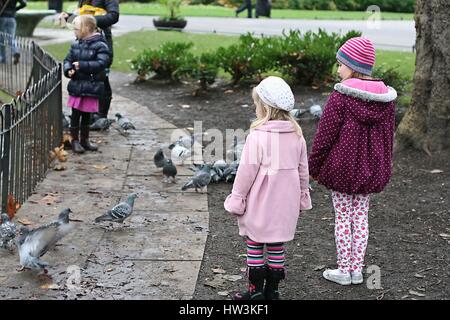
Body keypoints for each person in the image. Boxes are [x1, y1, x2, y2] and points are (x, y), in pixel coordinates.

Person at [308, 37, 397, 285]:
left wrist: (313, 167)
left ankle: (343, 270)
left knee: (343, 218)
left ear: (353, 65)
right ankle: (357, 270)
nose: (338, 70)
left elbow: (324, 136)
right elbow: (388, 138)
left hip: (341, 168)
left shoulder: (340, 96)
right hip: (370, 169)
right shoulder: (386, 100)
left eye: (340, 64)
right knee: (361, 217)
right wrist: (384, 166)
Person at [224, 76, 312, 300]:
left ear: (264, 107)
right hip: (285, 203)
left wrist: (238, 198)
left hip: (261, 202)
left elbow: (246, 172)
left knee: (254, 243)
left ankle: (255, 292)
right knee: (276, 245)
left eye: (257, 104)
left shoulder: (258, 136)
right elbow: (303, 170)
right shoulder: (297, 136)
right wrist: (303, 195)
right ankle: (273, 291)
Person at [60, 0, 119, 120]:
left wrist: (88, 21)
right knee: (85, 77)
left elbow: (113, 16)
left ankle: (100, 115)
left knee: (102, 78)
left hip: (100, 41)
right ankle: (86, 112)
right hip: (84, 42)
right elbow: (81, 18)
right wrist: (70, 17)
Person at [63, 15, 111, 153]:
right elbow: (67, 60)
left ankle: (85, 140)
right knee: (75, 114)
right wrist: (68, 70)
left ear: (86, 29)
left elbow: (102, 63)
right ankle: (75, 140)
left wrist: (82, 65)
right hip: (77, 86)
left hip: (91, 86)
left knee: (86, 115)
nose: (74, 32)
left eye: (76, 29)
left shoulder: (100, 45)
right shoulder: (75, 44)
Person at [0, 0, 27, 64]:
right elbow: (24, 4)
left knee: (1, 39)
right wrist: (15, 9)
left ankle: (3, 58)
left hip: (2, 17)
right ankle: (15, 52)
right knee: (11, 38)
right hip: (12, 18)